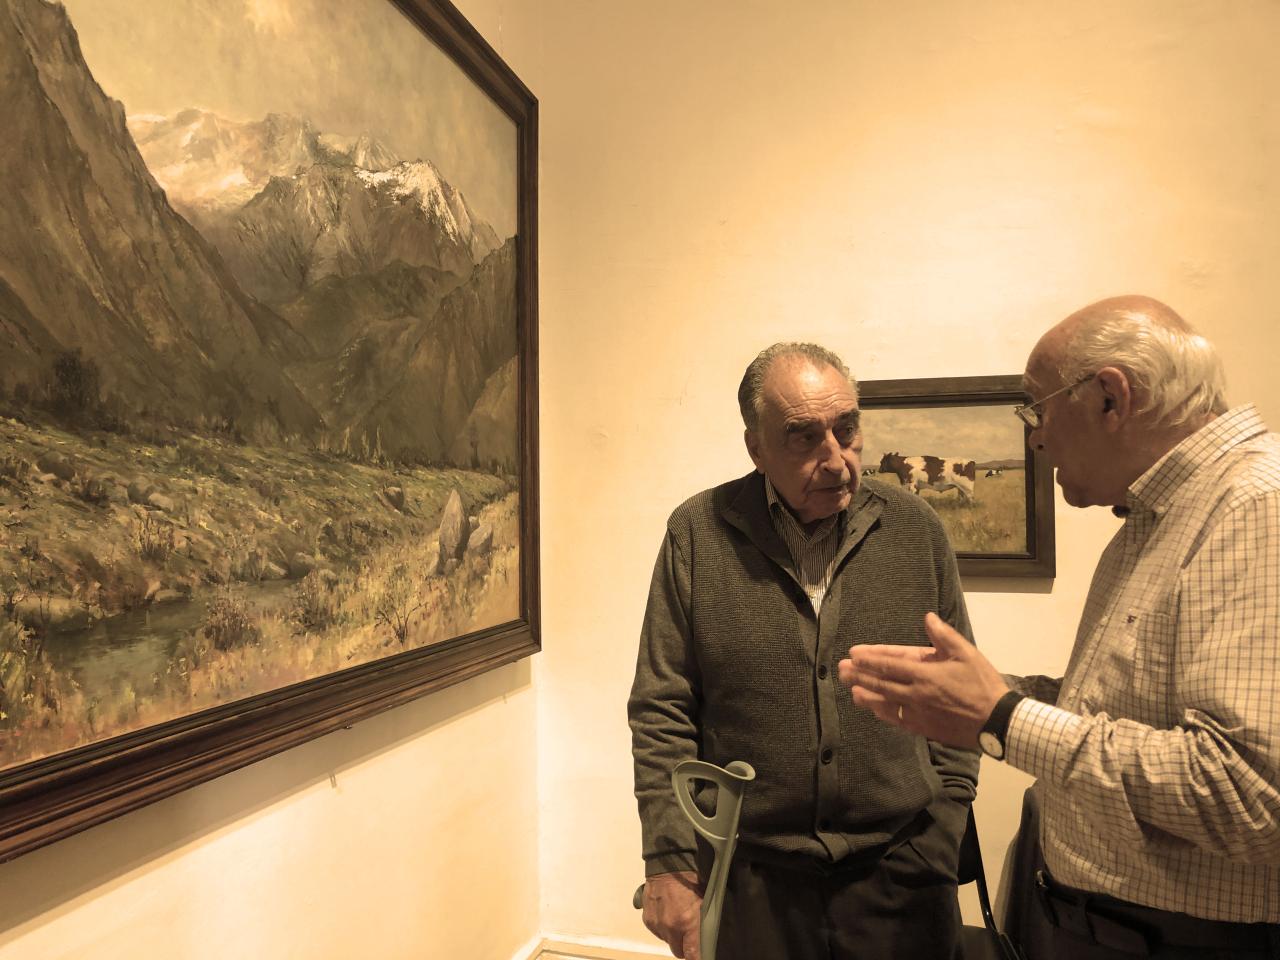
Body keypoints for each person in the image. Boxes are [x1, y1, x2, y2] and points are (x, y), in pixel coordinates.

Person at [840, 296, 1280, 958]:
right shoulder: (1162, 518)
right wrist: (993, 694)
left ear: (1110, 398)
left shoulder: (1255, 508)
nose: (1034, 437)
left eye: (1036, 409)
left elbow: (1249, 793)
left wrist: (1003, 717)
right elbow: (1135, 711)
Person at [628, 342, 980, 960]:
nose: (836, 459)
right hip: (751, 878)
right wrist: (670, 859)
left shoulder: (915, 529)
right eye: (804, 436)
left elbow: (959, 688)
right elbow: (662, 707)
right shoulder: (698, 533)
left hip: (903, 875)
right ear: (756, 448)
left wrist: (944, 827)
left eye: (847, 430)